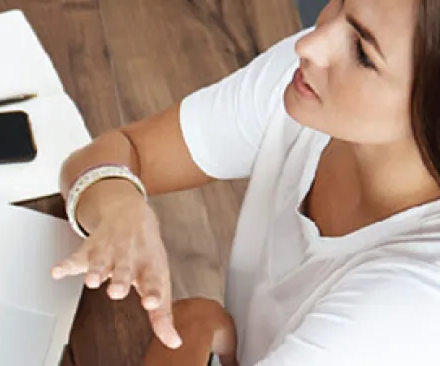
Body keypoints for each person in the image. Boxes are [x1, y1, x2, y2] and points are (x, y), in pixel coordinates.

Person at [51, 0, 440, 364]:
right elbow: (119, 151)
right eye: (339, 1)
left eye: (362, 53)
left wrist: (193, 323)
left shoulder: (408, 303)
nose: (310, 43)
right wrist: (119, 205)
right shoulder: (307, 83)